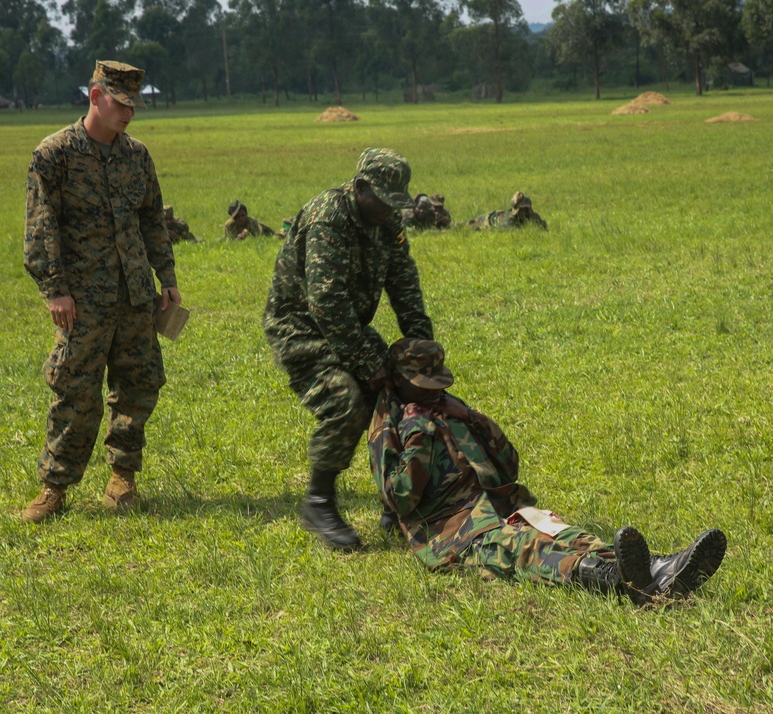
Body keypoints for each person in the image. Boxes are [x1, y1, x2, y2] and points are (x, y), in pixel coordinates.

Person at [368, 339, 727, 604]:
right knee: (524, 548)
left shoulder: (447, 407)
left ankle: (661, 567)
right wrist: (419, 437)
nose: (437, 393)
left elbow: (508, 464)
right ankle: (618, 581)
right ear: (400, 381)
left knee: (567, 532)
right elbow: (402, 499)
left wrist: (473, 418)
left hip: (499, 504)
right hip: (452, 530)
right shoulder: (393, 426)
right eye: (426, 386)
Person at [22, 60, 182, 523]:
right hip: (81, 300)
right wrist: (55, 288)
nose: (129, 113)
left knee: (138, 385)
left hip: (134, 293)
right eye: (121, 102)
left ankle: (122, 478)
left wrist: (166, 279)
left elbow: (152, 219)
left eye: (135, 104)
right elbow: (41, 225)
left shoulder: (137, 156)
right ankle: (55, 487)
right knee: (75, 390)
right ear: (95, 96)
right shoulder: (55, 155)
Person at [263, 148, 435, 552]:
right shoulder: (330, 217)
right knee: (346, 400)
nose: (390, 212)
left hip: (348, 327)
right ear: (360, 188)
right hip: (300, 326)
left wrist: (422, 349)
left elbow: (404, 282)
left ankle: (398, 501)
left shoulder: (385, 219)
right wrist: (365, 359)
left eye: (396, 204)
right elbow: (325, 301)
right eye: (384, 202)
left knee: (396, 392)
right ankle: (319, 503)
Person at [467, 191, 548, 231]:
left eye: (525, 210)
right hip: (486, 220)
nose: (523, 213)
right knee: (465, 226)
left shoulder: (528, 215)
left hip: (497, 214)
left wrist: (533, 215)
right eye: (521, 210)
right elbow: (515, 232)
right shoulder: (508, 220)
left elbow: (543, 227)